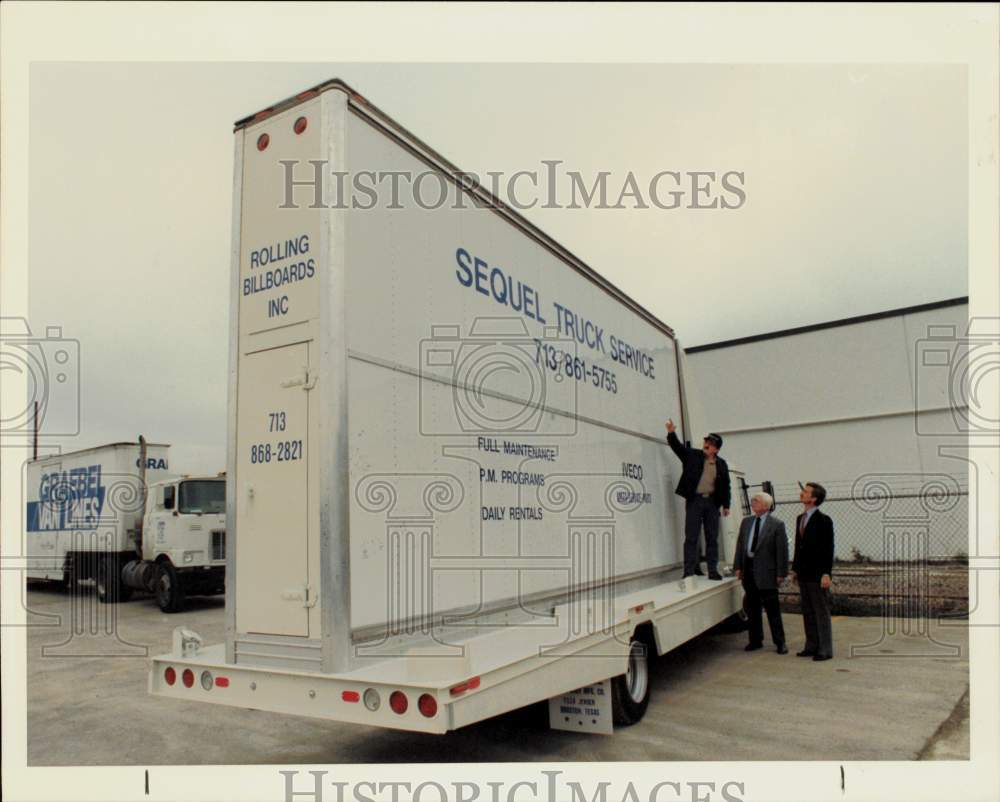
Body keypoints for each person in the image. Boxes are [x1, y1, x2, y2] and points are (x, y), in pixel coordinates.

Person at [664, 419, 731, 579]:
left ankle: (712, 570)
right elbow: (677, 448)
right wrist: (671, 433)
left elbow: (726, 485)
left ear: (716, 448)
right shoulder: (693, 455)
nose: (706, 444)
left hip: (712, 503)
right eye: (706, 441)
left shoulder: (721, 464)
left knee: (712, 537)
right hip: (695, 501)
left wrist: (726, 505)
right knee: (692, 536)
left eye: (710, 443)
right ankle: (688, 571)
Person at [733, 492, 788, 653]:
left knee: (773, 610)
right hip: (749, 570)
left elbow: (782, 551)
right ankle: (755, 640)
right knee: (752, 608)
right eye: (752, 500)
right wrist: (738, 566)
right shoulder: (746, 522)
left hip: (767, 573)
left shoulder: (777, 524)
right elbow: (740, 546)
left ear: (766, 505)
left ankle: (780, 642)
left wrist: (781, 573)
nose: (752, 503)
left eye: (756, 501)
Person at [790, 481, 835, 661]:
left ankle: (825, 649)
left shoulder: (824, 520)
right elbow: (799, 547)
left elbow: (828, 549)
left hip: (818, 574)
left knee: (820, 611)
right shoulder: (800, 519)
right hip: (803, 573)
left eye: (806, 492)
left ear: (814, 498)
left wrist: (826, 573)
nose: (802, 493)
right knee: (807, 610)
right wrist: (795, 569)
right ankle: (811, 645)